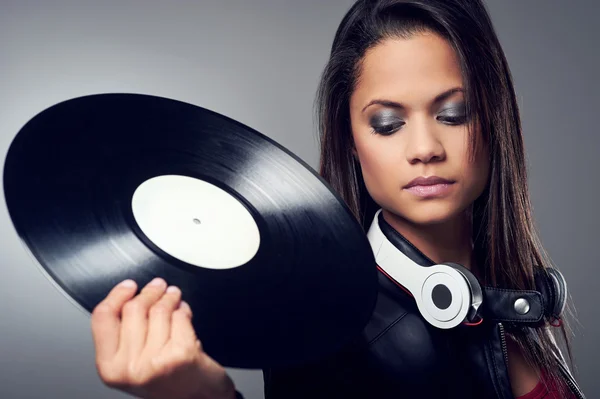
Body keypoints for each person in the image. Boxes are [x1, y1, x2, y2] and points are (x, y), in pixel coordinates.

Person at [89, 0, 585, 398]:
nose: (425, 149)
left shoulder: (515, 298)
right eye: (387, 124)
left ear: (495, 119)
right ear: (351, 139)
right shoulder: (324, 336)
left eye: (454, 114)